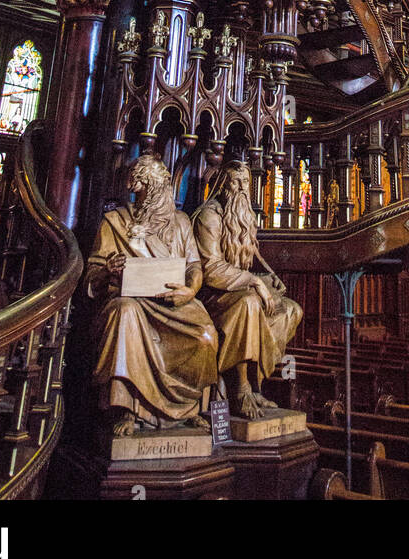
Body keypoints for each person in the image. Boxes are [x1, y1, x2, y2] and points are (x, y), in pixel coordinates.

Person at [87, 155, 219, 437]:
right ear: (142, 188)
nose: (162, 194)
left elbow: (194, 266)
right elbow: (92, 273)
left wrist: (190, 291)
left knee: (206, 334)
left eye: (163, 187)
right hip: (132, 299)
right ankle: (127, 408)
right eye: (154, 188)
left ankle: (190, 408)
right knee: (125, 314)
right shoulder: (116, 222)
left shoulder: (181, 222)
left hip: (173, 299)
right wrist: (108, 269)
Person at [192, 161, 302, 419]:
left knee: (291, 310)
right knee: (249, 304)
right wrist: (254, 282)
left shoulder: (243, 216)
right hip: (211, 295)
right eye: (235, 182)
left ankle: (255, 385)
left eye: (245, 183)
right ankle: (239, 390)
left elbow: (246, 265)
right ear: (222, 184)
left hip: (238, 289)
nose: (241, 188)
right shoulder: (210, 216)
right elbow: (211, 268)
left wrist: (265, 279)